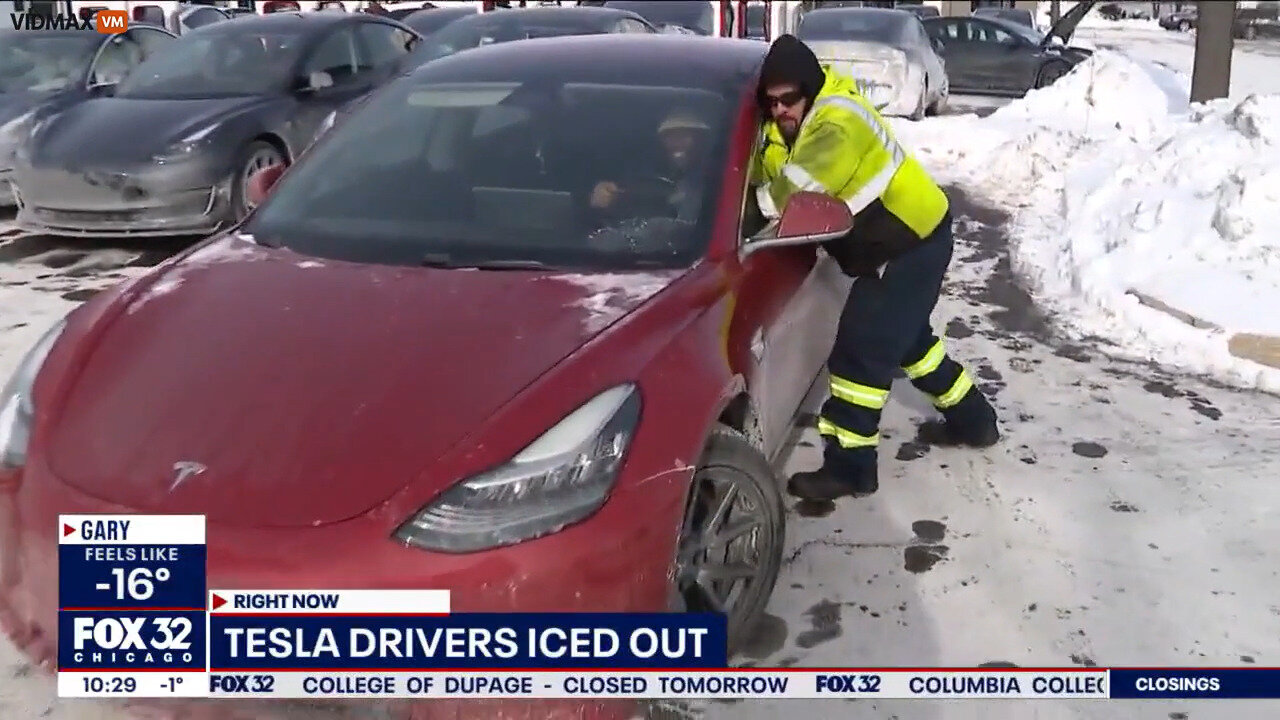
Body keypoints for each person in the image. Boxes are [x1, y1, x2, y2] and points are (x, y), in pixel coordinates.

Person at [752, 35, 1000, 501]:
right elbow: (772, 159)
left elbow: (785, 198)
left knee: (858, 354)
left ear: (810, 90)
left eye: (790, 100)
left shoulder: (837, 126)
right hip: (901, 239)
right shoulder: (794, 123)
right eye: (772, 103)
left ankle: (850, 469)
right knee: (909, 343)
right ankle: (976, 422)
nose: (781, 110)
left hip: (906, 244)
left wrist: (748, 206)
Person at [589, 107, 711, 223]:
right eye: (669, 135)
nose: (677, 142)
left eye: (685, 134)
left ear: (700, 140)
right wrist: (604, 199)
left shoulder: (717, 178)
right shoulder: (643, 176)